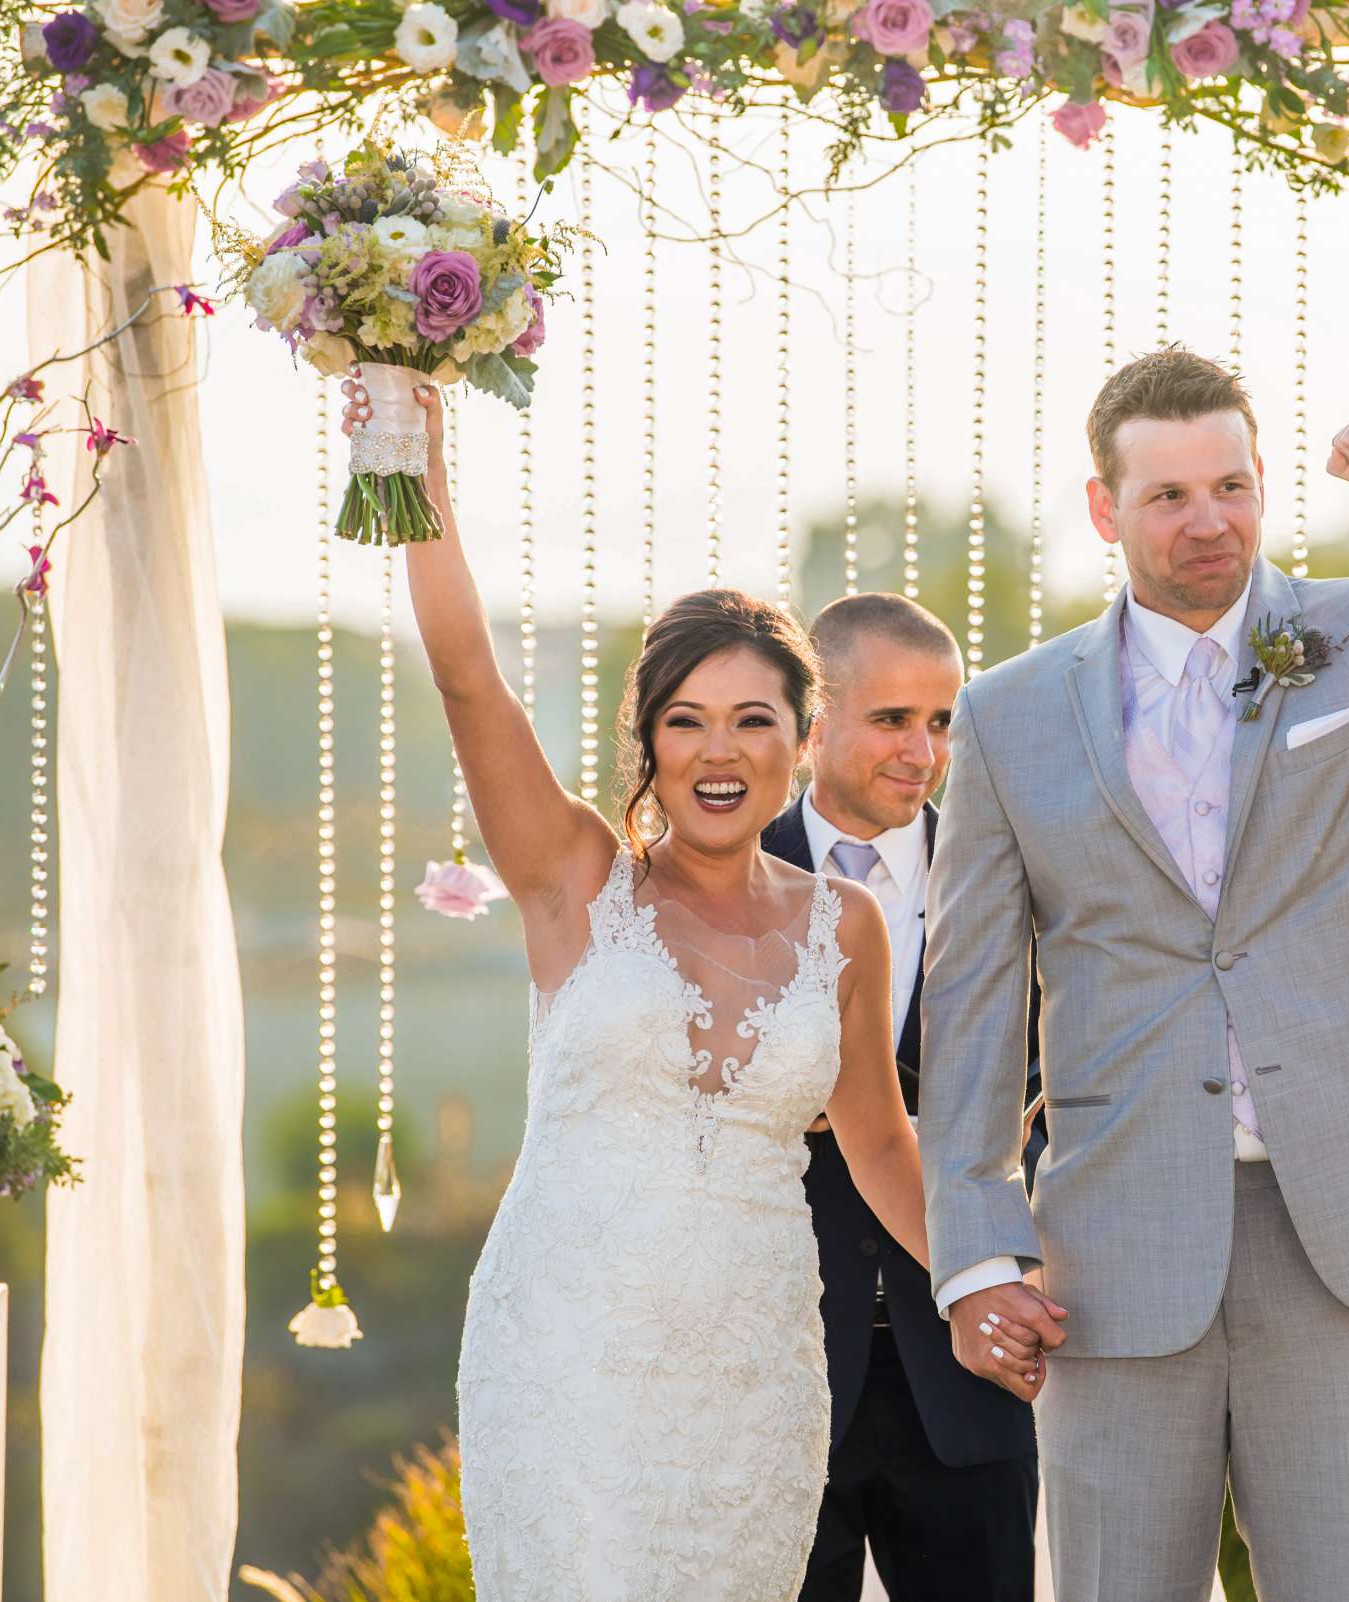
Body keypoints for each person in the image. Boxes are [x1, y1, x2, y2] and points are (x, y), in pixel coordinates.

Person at [919, 347, 1349, 1600]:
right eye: (1169, 497)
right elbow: (973, 995)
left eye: (1232, 486)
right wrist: (978, 1251)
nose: (1210, 522)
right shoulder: (1010, 714)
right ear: (1104, 509)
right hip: (1116, 1244)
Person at [354, 382, 969, 1602]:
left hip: (756, 1369)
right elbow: (472, 681)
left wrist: (998, 1280)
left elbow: (884, 1144)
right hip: (566, 1349)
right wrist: (411, 467)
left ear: (802, 738)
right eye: (685, 722)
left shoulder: (844, 928)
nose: (718, 750)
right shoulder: (575, 884)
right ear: (649, 740)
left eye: (753, 720)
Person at [759, 593, 1043, 1602]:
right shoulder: (723, 879)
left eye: (941, 723)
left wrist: (1023, 1253)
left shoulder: (1010, 875)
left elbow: (1060, 1090)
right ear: (816, 719)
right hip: (769, 1377)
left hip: (969, 1379)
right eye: (893, 720)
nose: (922, 752)